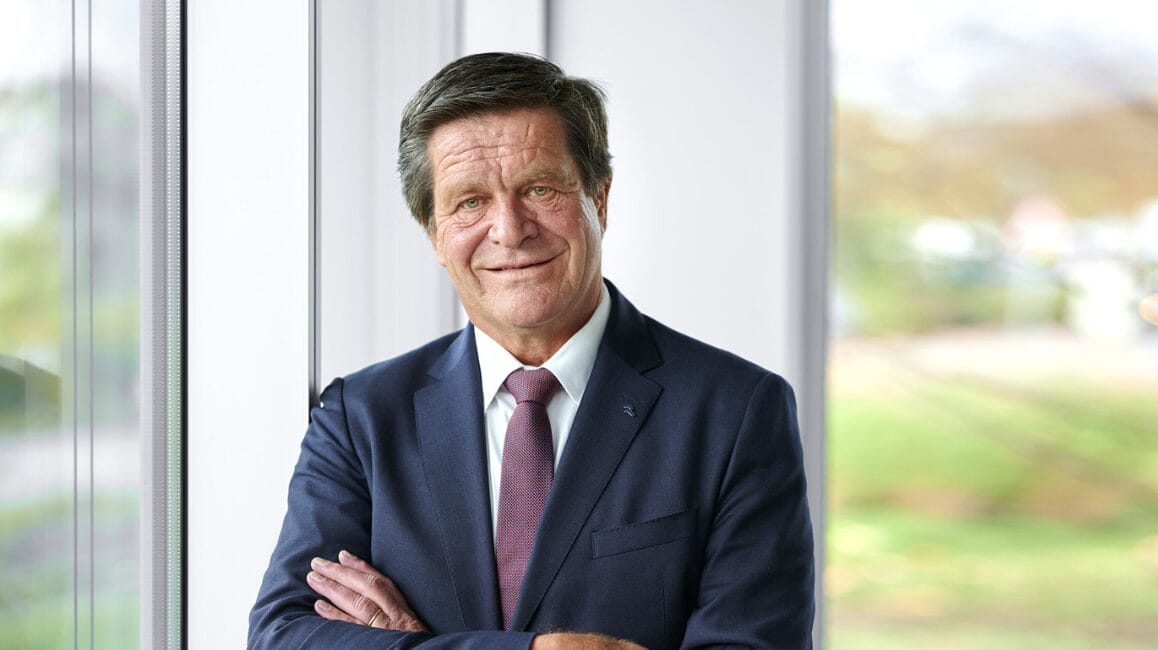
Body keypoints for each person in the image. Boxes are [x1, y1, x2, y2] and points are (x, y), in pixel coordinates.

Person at [248, 52, 814, 649]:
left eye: (540, 189)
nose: (510, 229)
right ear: (434, 233)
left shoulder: (738, 411)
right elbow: (282, 636)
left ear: (599, 199)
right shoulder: (360, 416)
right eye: (469, 201)